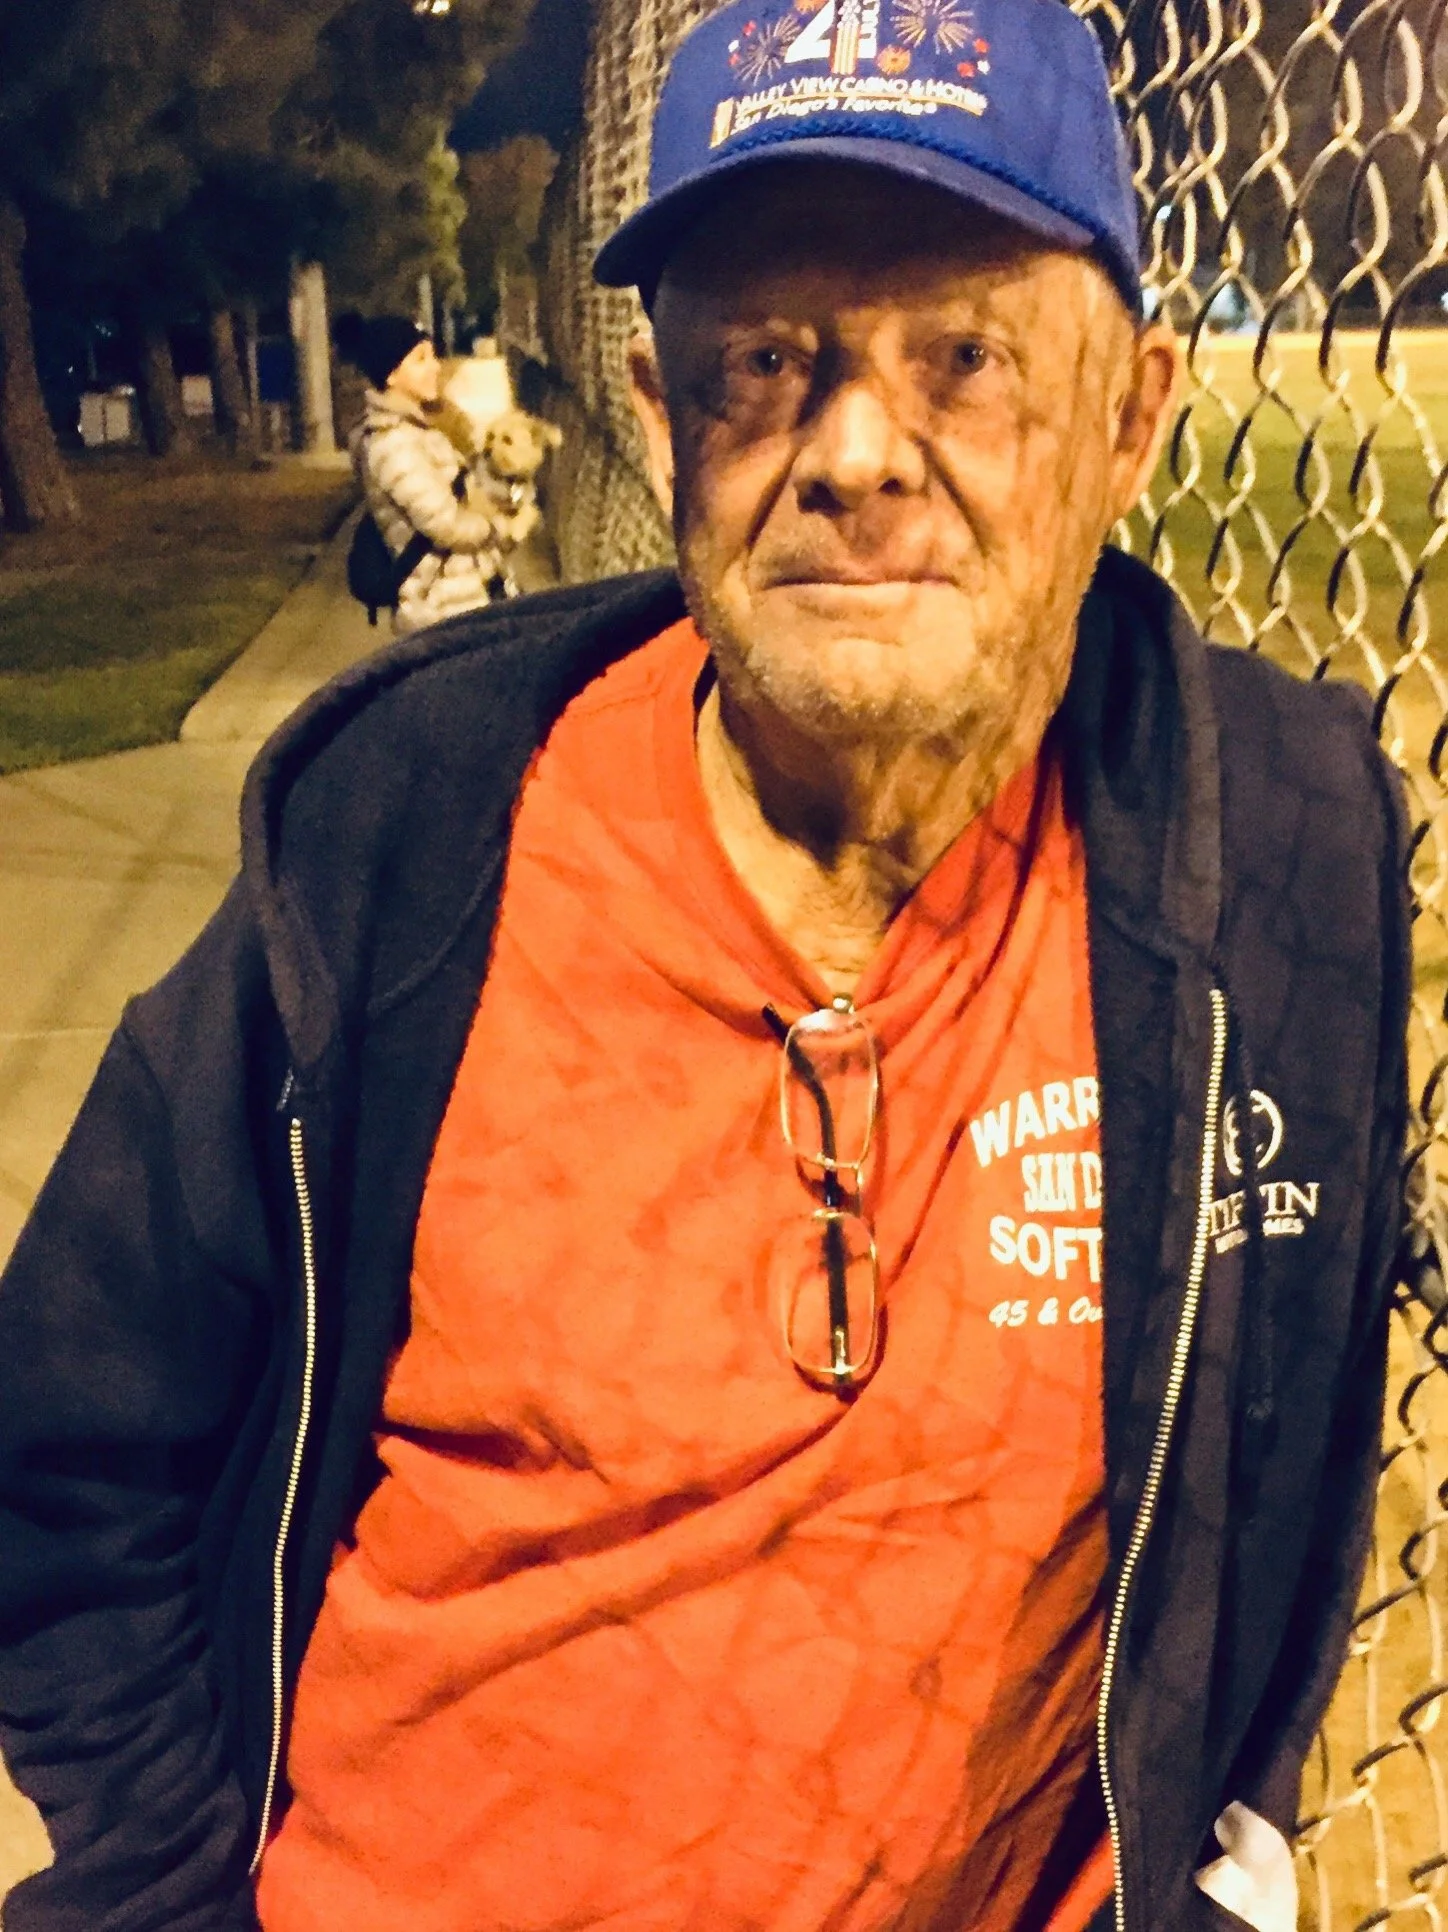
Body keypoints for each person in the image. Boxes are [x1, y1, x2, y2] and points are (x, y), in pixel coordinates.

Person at [0, 0, 1408, 1928]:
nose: (854, 453)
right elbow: (62, 1446)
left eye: (965, 356)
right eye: (766, 359)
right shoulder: (403, 838)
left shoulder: (1278, 849)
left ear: (1127, 421)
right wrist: (176, 1886)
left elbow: (1284, 1478)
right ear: (659, 424)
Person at [338, 314, 533, 632]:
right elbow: (446, 525)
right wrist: (501, 527)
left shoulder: (420, 430)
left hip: (465, 597)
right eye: (420, 359)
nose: (435, 367)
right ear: (391, 375)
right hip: (443, 610)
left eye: (433, 356)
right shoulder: (394, 444)